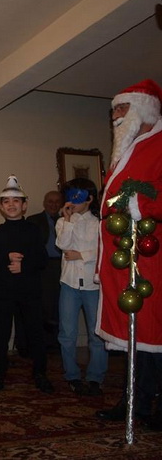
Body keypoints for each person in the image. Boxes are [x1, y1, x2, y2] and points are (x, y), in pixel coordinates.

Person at [95, 79, 162, 427]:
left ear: (143, 109)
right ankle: (133, 399)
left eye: (122, 109)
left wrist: (143, 203)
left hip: (152, 261)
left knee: (153, 335)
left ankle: (153, 404)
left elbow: (151, 198)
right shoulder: (127, 150)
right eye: (114, 111)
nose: (115, 117)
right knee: (135, 337)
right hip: (125, 260)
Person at [0, 175, 53, 393]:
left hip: (29, 292)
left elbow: (42, 260)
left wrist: (25, 265)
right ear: (1, 207)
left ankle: (40, 373)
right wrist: (6, 258)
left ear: (24, 205)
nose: (11, 205)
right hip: (3, 294)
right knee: (1, 335)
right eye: (6, 202)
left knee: (35, 334)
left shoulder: (33, 230)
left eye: (16, 201)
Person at [56, 178, 107, 396]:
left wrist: (81, 256)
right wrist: (67, 220)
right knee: (67, 332)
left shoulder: (99, 223)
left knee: (97, 334)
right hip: (69, 283)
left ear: (89, 198)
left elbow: (103, 251)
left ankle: (96, 376)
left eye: (76, 196)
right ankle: (72, 375)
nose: (72, 201)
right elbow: (62, 245)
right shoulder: (63, 222)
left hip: (92, 285)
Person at [26, 190, 64, 351]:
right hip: (43, 267)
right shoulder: (34, 221)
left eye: (57, 202)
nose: (53, 205)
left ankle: (57, 341)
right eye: (50, 201)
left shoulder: (66, 220)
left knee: (59, 304)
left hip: (64, 265)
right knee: (45, 304)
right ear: (44, 203)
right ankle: (44, 342)